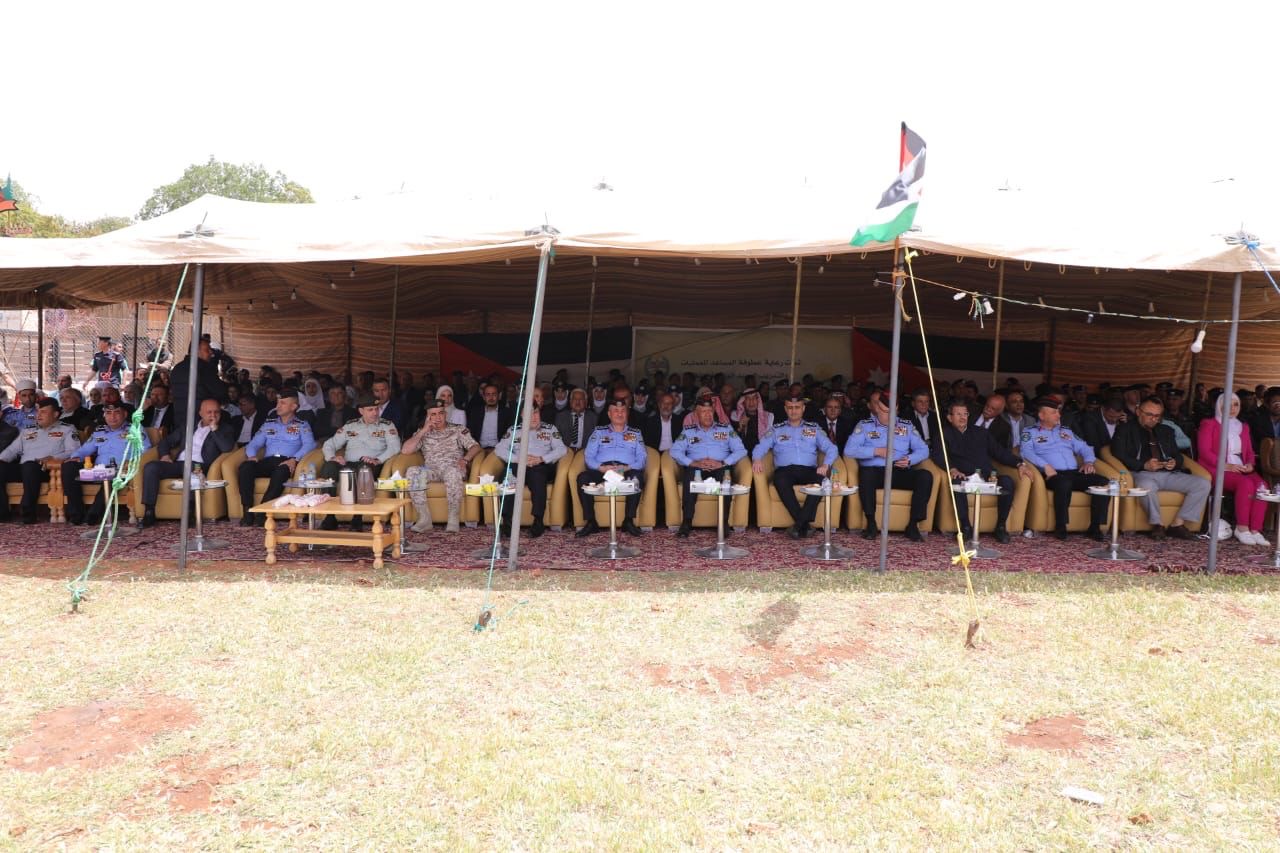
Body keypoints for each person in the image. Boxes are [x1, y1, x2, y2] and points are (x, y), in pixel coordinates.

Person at [1111, 395, 1209, 541]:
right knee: (1146, 486)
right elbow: (1118, 454)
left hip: (1168, 474)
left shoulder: (1166, 430)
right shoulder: (1124, 429)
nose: (1153, 419)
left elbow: (1178, 455)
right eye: (1149, 414)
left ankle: (1178, 524)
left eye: (1157, 416)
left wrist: (1174, 462)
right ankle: (1157, 524)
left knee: (1203, 484)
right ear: (1138, 412)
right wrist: (1143, 465)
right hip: (1142, 473)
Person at [933, 398, 1031, 544]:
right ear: (949, 417)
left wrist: (1019, 463)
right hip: (963, 475)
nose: (962, 417)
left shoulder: (981, 433)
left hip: (986, 475)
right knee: (956, 481)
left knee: (1007, 482)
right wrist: (952, 469)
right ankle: (965, 527)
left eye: (965, 414)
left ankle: (1000, 526)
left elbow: (999, 452)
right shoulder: (943, 434)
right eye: (958, 414)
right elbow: (939, 455)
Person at [845, 391, 933, 542]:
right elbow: (849, 450)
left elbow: (924, 449)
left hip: (899, 470)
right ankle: (871, 523)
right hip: (876, 471)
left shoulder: (906, 426)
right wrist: (875, 451)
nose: (889, 416)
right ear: (877, 409)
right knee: (866, 475)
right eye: (886, 412)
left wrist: (909, 459)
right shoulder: (865, 426)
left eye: (893, 412)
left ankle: (913, 525)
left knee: (925, 476)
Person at [1019, 397, 1108, 541]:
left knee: (1102, 482)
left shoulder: (1067, 431)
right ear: (1042, 415)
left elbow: (1085, 447)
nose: (1058, 415)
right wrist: (1045, 465)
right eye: (1054, 412)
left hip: (1073, 473)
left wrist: (1088, 462)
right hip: (1053, 474)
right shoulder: (1030, 432)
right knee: (1064, 483)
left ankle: (1095, 527)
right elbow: (1026, 452)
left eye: (1058, 412)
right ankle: (1061, 526)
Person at [138, 398, 236, 528]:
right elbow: (166, 441)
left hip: (199, 465)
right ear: (201, 413)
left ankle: (190, 513)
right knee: (151, 467)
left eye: (216, 412)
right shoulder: (189, 426)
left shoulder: (225, 429)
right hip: (179, 463)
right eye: (209, 412)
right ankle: (149, 512)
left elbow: (227, 448)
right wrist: (165, 455)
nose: (213, 415)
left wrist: (214, 429)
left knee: (192, 472)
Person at [751, 394, 837, 539]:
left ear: (803, 409)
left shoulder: (814, 429)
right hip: (786, 471)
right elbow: (760, 447)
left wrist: (826, 464)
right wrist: (757, 459)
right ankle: (805, 525)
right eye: (790, 407)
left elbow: (832, 448)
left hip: (809, 470)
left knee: (821, 479)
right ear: (785, 409)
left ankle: (798, 525)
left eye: (797, 407)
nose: (793, 411)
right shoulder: (777, 429)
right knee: (779, 480)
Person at [318, 392, 402, 532]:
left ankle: (357, 519)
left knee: (363, 470)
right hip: (348, 464)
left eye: (377, 409)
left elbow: (395, 447)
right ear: (361, 411)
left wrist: (378, 459)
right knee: (329, 467)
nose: (375, 413)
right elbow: (330, 444)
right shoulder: (351, 426)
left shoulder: (387, 425)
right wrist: (332, 457)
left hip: (371, 464)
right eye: (370, 410)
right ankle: (329, 517)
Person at [60, 401, 152, 526]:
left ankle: (93, 515)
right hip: (98, 469)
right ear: (104, 415)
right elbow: (85, 450)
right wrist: (76, 457)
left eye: (116, 412)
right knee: (69, 466)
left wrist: (131, 462)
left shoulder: (134, 429)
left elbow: (146, 450)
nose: (112, 416)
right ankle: (76, 514)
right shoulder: (100, 431)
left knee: (111, 475)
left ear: (125, 414)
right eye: (108, 413)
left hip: (120, 470)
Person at [236, 388, 316, 527]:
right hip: (268, 460)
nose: (278, 406)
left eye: (282, 403)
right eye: (278, 402)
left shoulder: (302, 425)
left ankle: (262, 513)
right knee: (245, 467)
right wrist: (252, 455)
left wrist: (294, 459)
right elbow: (254, 443)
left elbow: (310, 444)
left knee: (280, 472)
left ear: (294, 406)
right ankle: (247, 512)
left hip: (286, 461)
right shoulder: (269, 424)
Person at [1197, 392, 1268, 545]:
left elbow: (1249, 452)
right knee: (1246, 483)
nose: (1232, 408)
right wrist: (1226, 465)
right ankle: (1242, 528)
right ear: (1219, 406)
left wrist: (1250, 464)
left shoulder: (1243, 426)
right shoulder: (1209, 424)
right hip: (1216, 468)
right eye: (1228, 405)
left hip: (1238, 466)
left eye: (1236, 404)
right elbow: (1204, 452)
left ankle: (1255, 530)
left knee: (1262, 486)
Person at [669, 396, 746, 538]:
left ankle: (723, 522)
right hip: (697, 467)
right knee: (690, 477)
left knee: (726, 479)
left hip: (720, 466)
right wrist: (693, 463)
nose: (708, 415)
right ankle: (687, 522)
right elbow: (675, 451)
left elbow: (741, 450)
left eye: (710, 411)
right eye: (703, 412)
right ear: (696, 414)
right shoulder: (688, 431)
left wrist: (723, 462)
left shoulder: (725, 429)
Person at [576, 398, 648, 538]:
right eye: (616, 411)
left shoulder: (635, 433)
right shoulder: (599, 432)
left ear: (627, 413)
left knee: (637, 477)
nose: (619, 414)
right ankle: (591, 522)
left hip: (625, 470)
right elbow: (588, 456)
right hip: (603, 470)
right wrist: (601, 468)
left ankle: (628, 521)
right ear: (609, 414)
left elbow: (642, 458)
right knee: (582, 478)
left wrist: (625, 468)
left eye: (623, 411)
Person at [0, 398, 82, 523]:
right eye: (38, 411)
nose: (39, 415)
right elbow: (12, 450)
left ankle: (28, 512)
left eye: (43, 412)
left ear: (55, 414)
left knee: (30, 466)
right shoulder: (28, 430)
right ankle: (2, 514)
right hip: (24, 468)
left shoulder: (66, 429)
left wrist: (54, 458)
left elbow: (73, 451)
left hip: (48, 469)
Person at [401, 405, 480, 533]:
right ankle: (424, 519)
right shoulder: (423, 432)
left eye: (441, 413)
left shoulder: (458, 429)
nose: (438, 417)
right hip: (431, 470)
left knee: (452, 472)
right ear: (428, 417)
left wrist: (466, 459)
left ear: (445, 414)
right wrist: (423, 430)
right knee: (413, 472)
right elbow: (405, 450)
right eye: (433, 414)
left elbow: (475, 446)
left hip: (453, 467)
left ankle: (453, 518)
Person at [493, 407, 567, 538]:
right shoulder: (513, 430)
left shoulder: (550, 429)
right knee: (508, 473)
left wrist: (541, 459)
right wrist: (518, 459)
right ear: (522, 415)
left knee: (537, 475)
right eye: (529, 413)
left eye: (536, 412)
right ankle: (507, 521)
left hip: (541, 465)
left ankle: (538, 520)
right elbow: (499, 449)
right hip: (519, 464)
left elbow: (561, 449)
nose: (534, 417)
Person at [170, 338, 228, 432]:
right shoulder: (204, 368)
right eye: (207, 350)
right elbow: (220, 392)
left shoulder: (177, 368)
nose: (211, 353)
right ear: (196, 351)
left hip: (180, 419)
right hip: (201, 421)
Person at [467, 382, 513, 450]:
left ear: (499, 396)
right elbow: (470, 433)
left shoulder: (506, 413)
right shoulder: (475, 412)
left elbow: (510, 433)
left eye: (494, 394)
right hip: (479, 449)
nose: (491, 397)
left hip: (499, 449)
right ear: (483, 397)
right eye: (488, 394)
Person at [732, 386, 774, 454]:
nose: (751, 401)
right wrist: (739, 429)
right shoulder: (735, 416)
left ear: (758, 400)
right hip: (742, 454)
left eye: (754, 398)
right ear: (743, 402)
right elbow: (729, 436)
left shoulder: (769, 417)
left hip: (763, 453)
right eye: (748, 398)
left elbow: (772, 436)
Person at [556, 387, 597, 452]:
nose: (578, 401)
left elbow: (596, 438)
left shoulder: (593, 417)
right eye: (575, 399)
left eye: (581, 399)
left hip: (584, 451)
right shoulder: (561, 416)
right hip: (565, 450)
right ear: (570, 401)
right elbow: (555, 436)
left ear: (586, 402)